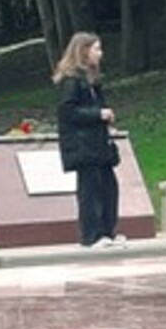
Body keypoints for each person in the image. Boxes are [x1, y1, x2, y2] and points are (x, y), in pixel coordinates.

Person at [53, 32, 125, 248]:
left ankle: (107, 231)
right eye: (96, 49)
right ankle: (91, 235)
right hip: (84, 146)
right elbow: (67, 112)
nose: (100, 54)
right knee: (90, 191)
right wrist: (98, 114)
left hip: (98, 145)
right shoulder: (71, 82)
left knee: (108, 187)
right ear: (83, 52)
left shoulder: (91, 82)